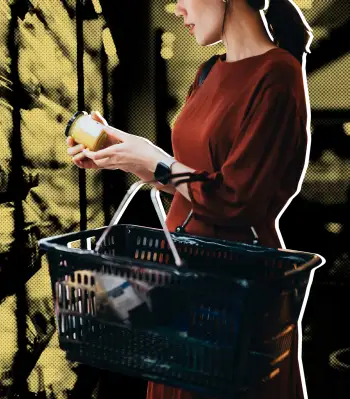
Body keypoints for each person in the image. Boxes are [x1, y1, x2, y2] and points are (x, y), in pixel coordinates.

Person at [66, 0, 313, 397]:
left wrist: (158, 161)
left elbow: (236, 199)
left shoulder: (278, 74)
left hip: (236, 280)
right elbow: (194, 182)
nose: (177, 8)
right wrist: (124, 153)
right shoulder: (208, 72)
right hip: (183, 274)